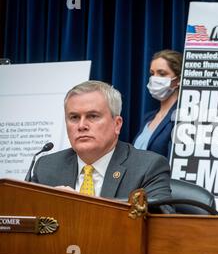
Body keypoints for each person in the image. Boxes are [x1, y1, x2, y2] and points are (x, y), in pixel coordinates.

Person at [31, 80, 174, 213]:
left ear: (117, 124)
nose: (81, 126)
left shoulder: (148, 168)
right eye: (74, 117)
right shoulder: (46, 168)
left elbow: (161, 226)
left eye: (93, 116)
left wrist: (79, 206)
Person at [133, 49, 181, 159]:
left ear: (178, 79)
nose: (155, 78)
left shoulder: (181, 118)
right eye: (152, 73)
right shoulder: (148, 117)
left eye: (162, 74)